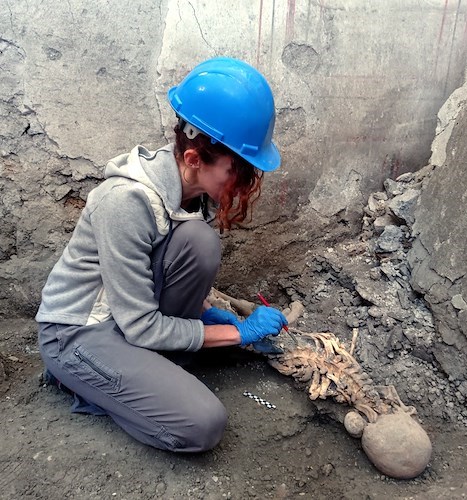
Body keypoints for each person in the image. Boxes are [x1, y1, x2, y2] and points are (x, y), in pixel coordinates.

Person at [35, 57, 288, 452]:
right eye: (235, 169)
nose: (242, 183)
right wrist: (237, 333)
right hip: (80, 332)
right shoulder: (126, 202)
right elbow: (142, 326)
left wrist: (202, 315)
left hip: (128, 317)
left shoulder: (192, 197)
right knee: (202, 425)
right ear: (193, 160)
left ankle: (144, 372)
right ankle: (79, 380)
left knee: (200, 242)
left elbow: (161, 270)